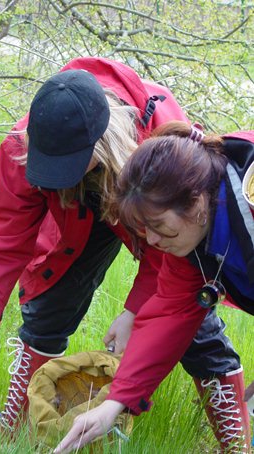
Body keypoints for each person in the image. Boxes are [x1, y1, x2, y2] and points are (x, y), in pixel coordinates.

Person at [0, 58, 246, 449]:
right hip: (79, 215)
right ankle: (21, 422)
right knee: (47, 301)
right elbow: (6, 236)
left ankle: (236, 439)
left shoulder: (158, 143)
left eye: (66, 165)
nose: (56, 171)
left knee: (191, 316)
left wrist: (133, 311)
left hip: (150, 207)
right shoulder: (27, 144)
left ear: (103, 141)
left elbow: (173, 259)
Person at [54, 121, 254, 453]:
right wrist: (113, 403)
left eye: (159, 226)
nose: (153, 241)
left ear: (197, 204)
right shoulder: (191, 244)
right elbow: (168, 317)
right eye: (144, 228)